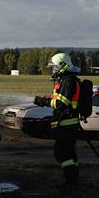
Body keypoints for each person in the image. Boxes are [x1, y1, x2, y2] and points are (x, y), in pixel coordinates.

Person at [34, 53, 81, 187]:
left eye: (54, 67)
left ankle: (71, 182)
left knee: (62, 153)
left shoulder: (68, 81)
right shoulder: (66, 80)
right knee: (69, 154)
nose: (53, 70)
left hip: (66, 124)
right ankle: (73, 179)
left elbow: (61, 103)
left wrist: (43, 101)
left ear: (62, 66)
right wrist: (47, 99)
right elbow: (59, 99)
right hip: (66, 124)